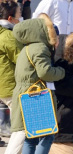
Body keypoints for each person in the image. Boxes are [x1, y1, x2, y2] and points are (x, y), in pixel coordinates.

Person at [8, 13, 65, 154]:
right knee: (47, 135)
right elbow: (45, 72)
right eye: (56, 36)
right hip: (35, 97)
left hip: (27, 94)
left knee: (30, 137)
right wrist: (61, 72)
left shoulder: (29, 47)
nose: (57, 39)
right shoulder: (40, 48)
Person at [0, 0, 23, 146]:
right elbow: (22, 59)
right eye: (19, 15)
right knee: (22, 127)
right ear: (10, 18)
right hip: (9, 86)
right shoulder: (8, 36)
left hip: (3, 84)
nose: (20, 18)